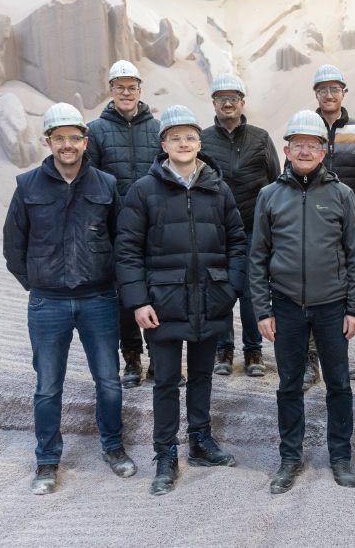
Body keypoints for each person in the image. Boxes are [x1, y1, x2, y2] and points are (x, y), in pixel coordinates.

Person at [114, 105, 248, 496]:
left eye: (190, 136)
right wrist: (139, 301)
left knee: (203, 376)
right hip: (163, 302)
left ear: (199, 142)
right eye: (176, 137)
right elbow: (127, 250)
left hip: (211, 298)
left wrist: (230, 288)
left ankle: (201, 442)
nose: (184, 143)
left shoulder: (218, 188)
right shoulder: (144, 190)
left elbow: (238, 242)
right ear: (164, 144)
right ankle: (166, 453)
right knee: (167, 381)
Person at [3, 103, 136, 495]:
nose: (67, 145)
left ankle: (113, 447)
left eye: (74, 138)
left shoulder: (105, 185)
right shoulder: (28, 185)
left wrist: (112, 283)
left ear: (84, 141)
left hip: (99, 299)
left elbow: (122, 241)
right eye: (59, 138)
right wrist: (37, 285)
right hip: (48, 304)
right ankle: (47, 461)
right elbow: (13, 247)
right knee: (48, 387)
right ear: (48, 141)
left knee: (108, 381)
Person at [250, 110, 355, 494]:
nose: (304, 151)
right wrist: (262, 310)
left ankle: (340, 456)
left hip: (332, 306)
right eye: (297, 144)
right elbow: (257, 257)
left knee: (338, 383)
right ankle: (290, 457)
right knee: (289, 385)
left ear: (323, 151)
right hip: (286, 306)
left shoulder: (341, 195)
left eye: (312, 145)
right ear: (286, 150)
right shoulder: (269, 196)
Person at [84, 60, 163, 388]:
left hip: (154, 227)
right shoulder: (95, 131)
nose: (126, 93)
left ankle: (159, 358)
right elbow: (90, 182)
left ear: (140, 90)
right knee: (123, 297)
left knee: (158, 292)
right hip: (115, 229)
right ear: (111, 90)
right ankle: (131, 359)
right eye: (120, 87)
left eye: (132, 87)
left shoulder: (158, 129)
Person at [199, 73, 280, 378]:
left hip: (251, 230)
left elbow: (275, 183)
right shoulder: (202, 140)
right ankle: (223, 349)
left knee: (250, 292)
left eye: (233, 98)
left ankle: (253, 350)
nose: (228, 103)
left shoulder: (261, 138)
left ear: (243, 102)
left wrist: (271, 227)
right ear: (214, 103)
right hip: (214, 231)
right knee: (219, 290)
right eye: (222, 98)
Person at [303, 64, 355, 388]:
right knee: (309, 288)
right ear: (316, 94)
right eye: (323, 89)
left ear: (344, 93)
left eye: (335, 89)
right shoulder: (305, 126)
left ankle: (337, 357)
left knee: (341, 290)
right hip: (309, 221)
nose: (329, 95)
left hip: (347, 223)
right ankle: (309, 361)